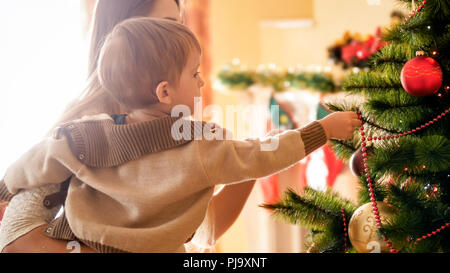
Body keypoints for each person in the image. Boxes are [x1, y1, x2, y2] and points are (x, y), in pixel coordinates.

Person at [0, 17, 360, 253]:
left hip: (86, 243)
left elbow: (33, 163)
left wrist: (3, 190)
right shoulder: (198, 143)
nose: (202, 80)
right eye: (195, 73)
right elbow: (261, 154)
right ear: (164, 92)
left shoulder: (86, 134)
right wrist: (321, 130)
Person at [0, 0, 256, 253]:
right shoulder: (81, 131)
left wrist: (256, 158)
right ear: (122, 32)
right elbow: (17, 236)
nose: (178, 38)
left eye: (179, 26)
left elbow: (201, 230)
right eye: (164, 26)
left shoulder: (168, 125)